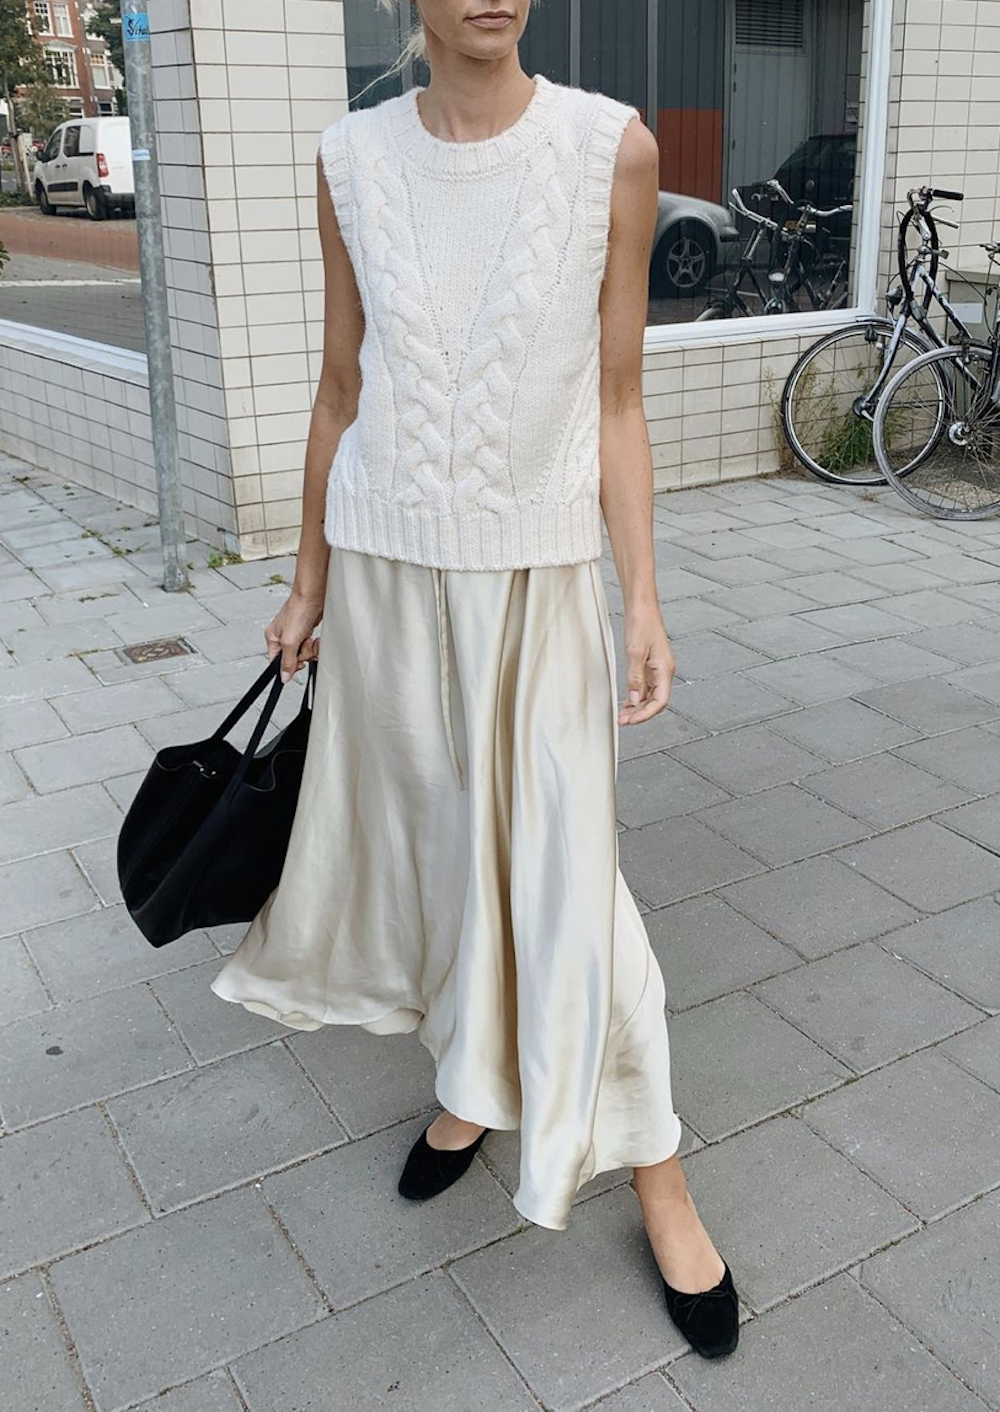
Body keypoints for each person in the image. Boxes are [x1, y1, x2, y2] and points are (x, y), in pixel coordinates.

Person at [210, 0, 739, 1360]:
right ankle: (468, 1082)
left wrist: (645, 598)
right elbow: (340, 387)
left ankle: (658, 1169)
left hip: (541, 583)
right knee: (442, 856)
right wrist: (310, 581)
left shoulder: (608, 149)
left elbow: (618, 398)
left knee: (570, 879)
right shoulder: (350, 158)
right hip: (388, 578)